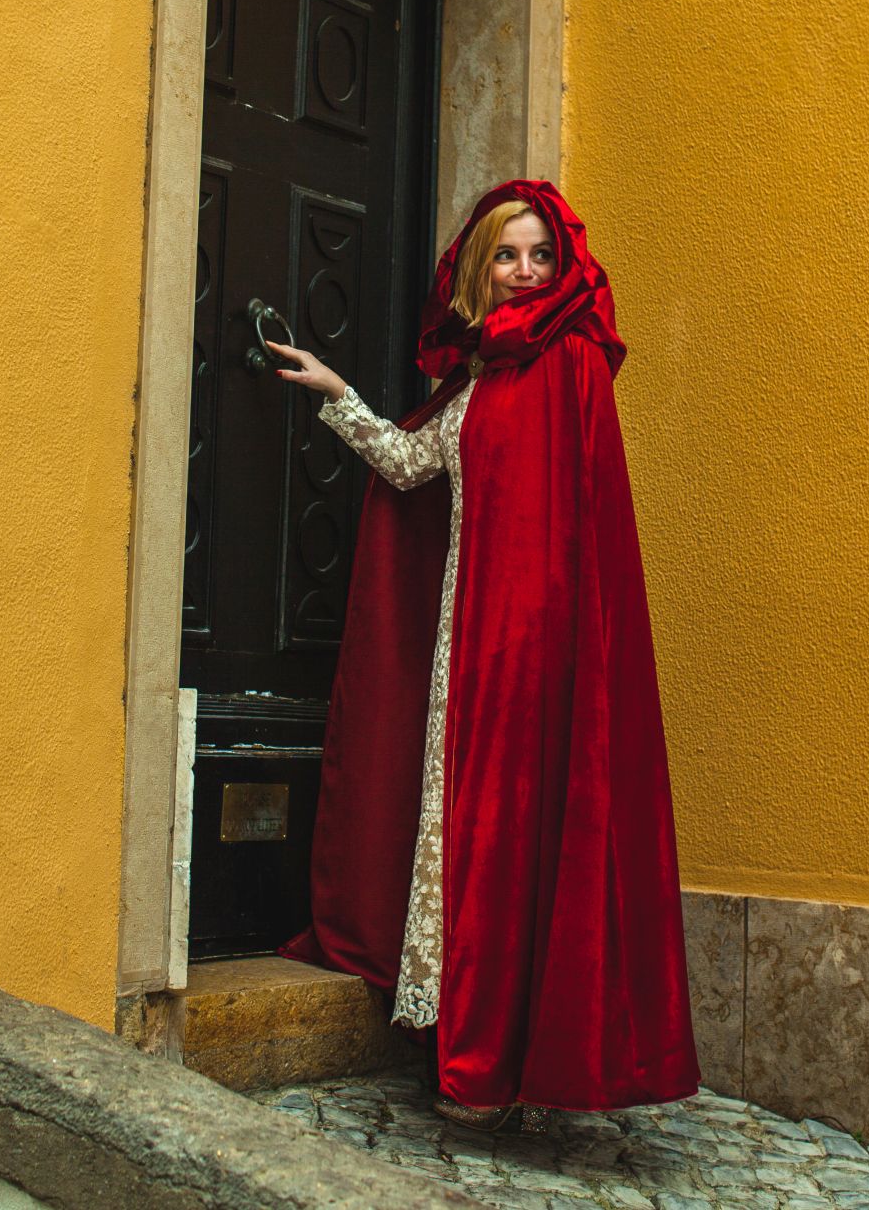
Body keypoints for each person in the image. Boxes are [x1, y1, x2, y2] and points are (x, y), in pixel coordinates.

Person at [268, 179, 700, 1132]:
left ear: (564, 268)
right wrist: (338, 396)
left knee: (528, 834)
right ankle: (472, 1053)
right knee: (468, 842)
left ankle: (510, 1066)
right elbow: (411, 466)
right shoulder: (473, 386)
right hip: (468, 651)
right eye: (507, 254)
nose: (525, 271)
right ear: (476, 271)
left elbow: (583, 530)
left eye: (542, 254)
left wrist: (552, 647)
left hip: (543, 654)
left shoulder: (574, 362)